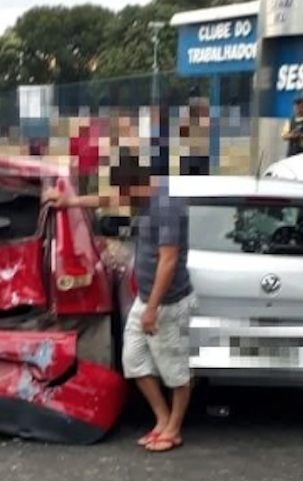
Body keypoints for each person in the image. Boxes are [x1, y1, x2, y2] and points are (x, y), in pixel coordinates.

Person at [43, 147, 193, 453]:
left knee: (175, 370)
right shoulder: (145, 194)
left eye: (126, 191)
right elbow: (110, 199)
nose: (122, 198)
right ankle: (162, 420)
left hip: (167, 303)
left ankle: (174, 429)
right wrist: (69, 202)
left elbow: (169, 261)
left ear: (139, 182)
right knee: (134, 361)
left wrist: (152, 309)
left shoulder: (166, 206)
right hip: (146, 299)